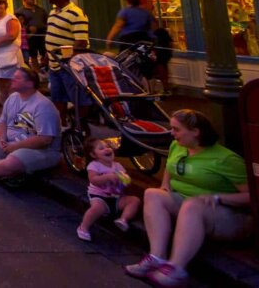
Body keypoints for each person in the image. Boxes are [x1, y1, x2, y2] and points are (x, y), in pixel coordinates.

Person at [126, 109, 252, 286]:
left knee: (193, 204)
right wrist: (165, 185)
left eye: (176, 129)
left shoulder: (227, 159)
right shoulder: (178, 146)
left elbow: (252, 196)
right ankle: (157, 256)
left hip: (228, 216)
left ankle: (176, 268)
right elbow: (171, 167)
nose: (171, 133)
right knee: (152, 194)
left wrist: (217, 197)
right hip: (187, 207)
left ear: (195, 132)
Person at [0, 66, 61, 184]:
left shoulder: (43, 106)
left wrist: (15, 147)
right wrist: (2, 138)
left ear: (30, 83)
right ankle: (7, 173)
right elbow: (4, 121)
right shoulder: (13, 98)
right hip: (11, 143)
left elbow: (44, 139)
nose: (12, 80)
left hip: (40, 151)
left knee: (13, 159)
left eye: (17, 78)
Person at [44, 0, 90, 128]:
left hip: (69, 66)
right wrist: (48, 54)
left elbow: (81, 42)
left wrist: (66, 58)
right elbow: (53, 35)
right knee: (57, 97)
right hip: (54, 64)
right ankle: (62, 125)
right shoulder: (52, 13)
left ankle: (80, 125)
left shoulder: (76, 14)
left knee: (78, 98)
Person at [77, 136, 140, 242]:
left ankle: (123, 219)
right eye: (101, 148)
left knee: (134, 200)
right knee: (96, 209)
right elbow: (93, 180)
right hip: (99, 196)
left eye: (107, 147)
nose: (107, 149)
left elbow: (124, 183)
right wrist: (107, 177)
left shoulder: (118, 166)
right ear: (93, 155)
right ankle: (83, 227)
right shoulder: (94, 165)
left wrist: (125, 181)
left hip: (116, 197)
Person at [15, 0, 48, 74]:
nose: (33, 0)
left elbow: (46, 20)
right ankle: (37, 72)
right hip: (30, 36)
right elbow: (17, 23)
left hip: (42, 34)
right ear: (25, 0)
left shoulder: (40, 9)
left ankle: (45, 68)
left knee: (45, 53)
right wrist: (28, 28)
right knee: (33, 54)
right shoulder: (20, 11)